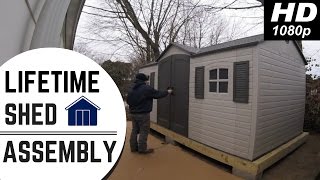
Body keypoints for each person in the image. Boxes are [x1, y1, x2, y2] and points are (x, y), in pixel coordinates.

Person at [127, 73, 172, 154]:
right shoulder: (146, 88)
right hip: (143, 114)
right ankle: (142, 149)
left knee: (135, 130)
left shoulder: (131, 88)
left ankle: (133, 148)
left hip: (133, 114)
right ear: (144, 80)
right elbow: (158, 94)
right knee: (144, 131)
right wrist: (167, 92)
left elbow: (128, 101)